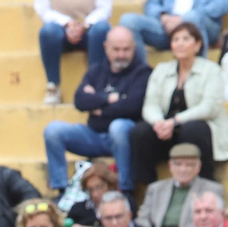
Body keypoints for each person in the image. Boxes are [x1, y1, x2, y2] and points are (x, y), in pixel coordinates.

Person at [43, 27, 149, 199]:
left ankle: (127, 190)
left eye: (126, 49)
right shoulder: (96, 70)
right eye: (116, 49)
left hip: (123, 138)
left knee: (118, 126)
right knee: (53, 130)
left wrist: (97, 104)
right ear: (106, 47)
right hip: (93, 135)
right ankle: (61, 190)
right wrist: (110, 98)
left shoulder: (143, 73)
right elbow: (80, 100)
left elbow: (132, 107)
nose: (121, 55)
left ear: (134, 48)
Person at [129, 22, 228, 185]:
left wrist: (175, 121)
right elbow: (150, 104)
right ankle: (148, 189)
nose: (179, 44)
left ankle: (205, 184)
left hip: (198, 133)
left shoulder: (211, 70)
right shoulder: (161, 70)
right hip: (167, 132)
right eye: (175, 39)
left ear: (198, 45)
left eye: (186, 39)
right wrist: (159, 123)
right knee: (140, 131)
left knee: (193, 129)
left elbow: (209, 108)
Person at [133, 143, 223, 227]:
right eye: (178, 164)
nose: (183, 169)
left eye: (189, 165)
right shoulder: (156, 188)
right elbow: (143, 219)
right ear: (170, 165)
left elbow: (208, 221)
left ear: (198, 167)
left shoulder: (211, 189)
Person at [37, 0, 113, 105]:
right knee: (48, 31)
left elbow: (104, 9)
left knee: (102, 28)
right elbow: (43, 10)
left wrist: (85, 25)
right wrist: (67, 23)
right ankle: (53, 86)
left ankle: (96, 84)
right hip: (60, 28)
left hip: (90, 28)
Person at [118, 0, 228, 59]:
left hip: (203, 25)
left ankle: (200, 76)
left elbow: (222, 4)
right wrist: (163, 15)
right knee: (128, 21)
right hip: (168, 26)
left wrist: (183, 18)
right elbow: (151, 4)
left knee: (191, 18)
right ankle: (139, 78)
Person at [61, 159, 118, 227]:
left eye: (98, 187)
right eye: (90, 189)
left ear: (109, 185)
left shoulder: (124, 205)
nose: (95, 194)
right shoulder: (77, 209)